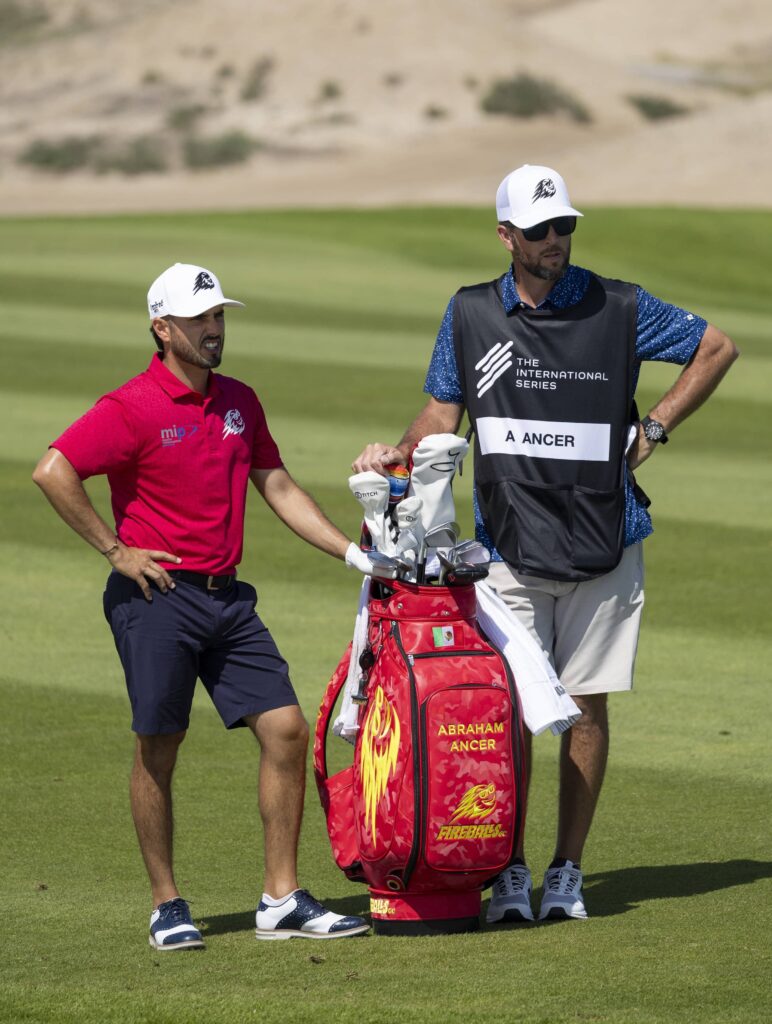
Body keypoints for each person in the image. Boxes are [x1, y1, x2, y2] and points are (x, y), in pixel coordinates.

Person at [352, 165, 738, 923]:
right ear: (506, 237)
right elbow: (442, 411)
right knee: (508, 712)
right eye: (539, 231)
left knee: (585, 708)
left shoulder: (617, 304)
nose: (555, 241)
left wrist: (653, 428)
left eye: (564, 226)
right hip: (506, 542)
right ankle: (512, 867)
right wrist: (393, 458)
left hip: (607, 534)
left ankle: (566, 869)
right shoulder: (469, 315)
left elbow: (716, 347)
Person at [33, 262, 378, 950]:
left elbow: (275, 484)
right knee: (160, 746)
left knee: (285, 729)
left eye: (219, 316)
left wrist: (349, 552)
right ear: (162, 329)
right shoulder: (130, 406)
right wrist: (115, 550)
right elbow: (53, 469)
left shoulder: (240, 401)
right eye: (199, 320)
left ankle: (280, 898)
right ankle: (167, 903)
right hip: (155, 597)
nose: (214, 330)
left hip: (227, 600)